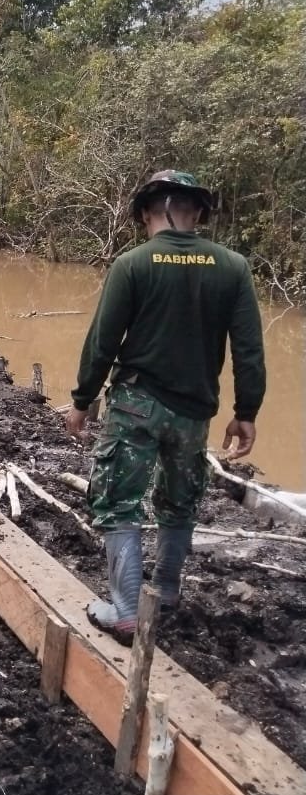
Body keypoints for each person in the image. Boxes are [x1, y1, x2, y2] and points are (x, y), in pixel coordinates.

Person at [66, 170, 266, 643]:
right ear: (196, 212)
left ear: (144, 214)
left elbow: (102, 341)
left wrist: (81, 400)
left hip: (136, 404)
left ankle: (127, 611)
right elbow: (249, 350)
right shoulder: (233, 267)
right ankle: (167, 591)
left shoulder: (133, 264)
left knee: (118, 502)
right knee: (180, 502)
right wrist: (247, 411)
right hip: (195, 412)